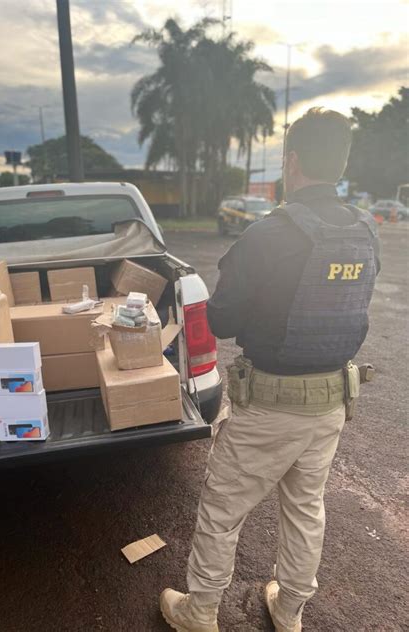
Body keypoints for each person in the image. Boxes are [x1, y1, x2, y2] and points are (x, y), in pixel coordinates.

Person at [160, 108, 381, 632]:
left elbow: (222, 319)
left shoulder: (269, 234)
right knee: (306, 507)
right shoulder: (364, 232)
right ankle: (289, 608)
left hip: (269, 405)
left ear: (292, 161)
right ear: (341, 162)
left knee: (222, 507)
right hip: (331, 402)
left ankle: (201, 610)